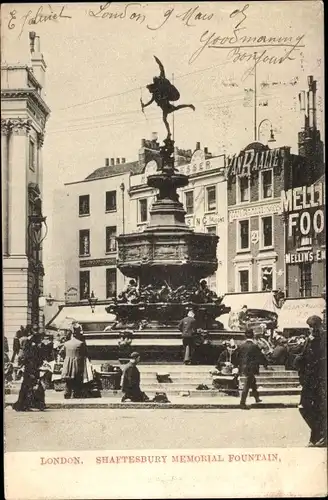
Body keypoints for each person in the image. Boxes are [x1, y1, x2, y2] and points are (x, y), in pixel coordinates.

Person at [141, 56, 195, 139]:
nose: (150, 91)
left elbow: (162, 68)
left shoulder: (160, 85)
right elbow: (151, 101)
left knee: (171, 113)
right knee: (165, 118)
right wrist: (144, 105)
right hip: (165, 107)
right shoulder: (155, 94)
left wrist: (158, 61)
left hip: (169, 101)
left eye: (150, 89)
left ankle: (189, 105)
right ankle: (169, 133)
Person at [295, 315, 327, 447]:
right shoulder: (309, 340)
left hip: (321, 380)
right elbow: (302, 356)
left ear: (321, 326)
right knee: (304, 407)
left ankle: (318, 437)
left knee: (320, 408)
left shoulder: (324, 338)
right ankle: (320, 434)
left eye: (315, 326)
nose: (312, 329)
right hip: (309, 380)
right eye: (310, 327)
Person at [13, 325, 46, 412]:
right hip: (31, 367)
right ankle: (23, 405)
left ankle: (25, 404)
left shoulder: (32, 342)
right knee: (27, 386)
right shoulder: (31, 342)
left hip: (32, 366)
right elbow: (30, 356)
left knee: (28, 386)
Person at [233, 328, 269, 409]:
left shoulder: (241, 346)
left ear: (245, 336)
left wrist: (236, 365)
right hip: (251, 368)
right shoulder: (255, 346)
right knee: (247, 384)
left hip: (243, 367)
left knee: (253, 381)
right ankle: (242, 403)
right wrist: (265, 364)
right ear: (253, 336)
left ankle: (257, 398)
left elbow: (235, 356)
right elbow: (261, 356)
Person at [61, 329, 87, 399]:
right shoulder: (80, 343)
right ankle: (75, 393)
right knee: (77, 378)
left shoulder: (66, 343)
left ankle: (67, 392)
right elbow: (84, 353)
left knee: (68, 378)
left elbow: (61, 352)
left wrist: (66, 358)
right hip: (77, 361)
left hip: (67, 362)